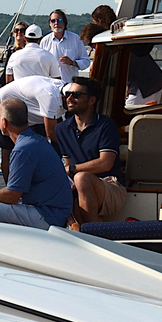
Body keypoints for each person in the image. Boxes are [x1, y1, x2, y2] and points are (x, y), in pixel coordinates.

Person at [0, 98, 72, 230]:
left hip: (48, 216)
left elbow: (12, 196)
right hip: (54, 211)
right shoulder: (34, 140)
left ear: (4, 122)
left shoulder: (23, 149)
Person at [54, 76, 127, 226]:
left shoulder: (106, 126)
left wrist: (73, 169)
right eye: (68, 94)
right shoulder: (61, 129)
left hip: (111, 185)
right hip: (81, 184)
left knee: (81, 178)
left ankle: (92, 232)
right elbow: (69, 166)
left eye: (76, 95)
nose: (70, 98)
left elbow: (105, 164)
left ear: (92, 100)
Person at [0, 74, 63, 178]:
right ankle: (11, 189)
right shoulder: (50, 95)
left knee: (37, 149)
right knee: (9, 150)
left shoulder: (61, 89)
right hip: (3, 104)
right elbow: (51, 132)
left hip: (33, 106)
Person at [38, 10, 87, 84]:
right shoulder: (45, 41)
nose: (56, 23)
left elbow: (86, 61)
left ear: (64, 22)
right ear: (50, 23)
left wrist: (73, 63)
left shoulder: (76, 39)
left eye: (59, 20)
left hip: (70, 84)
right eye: (53, 21)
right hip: (51, 85)